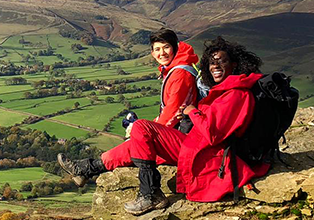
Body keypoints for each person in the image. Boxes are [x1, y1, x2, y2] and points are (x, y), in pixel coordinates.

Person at [57, 36, 270, 215]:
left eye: (221, 62)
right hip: (200, 147)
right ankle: (86, 168)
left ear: (234, 64)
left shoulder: (236, 94)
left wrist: (191, 112)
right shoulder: (228, 89)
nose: (215, 66)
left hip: (209, 154)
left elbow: (213, 133)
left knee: (141, 128)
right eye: (212, 63)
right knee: (140, 143)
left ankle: (150, 193)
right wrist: (192, 113)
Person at [147, 28, 199, 129]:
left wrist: (154, 132)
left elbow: (173, 109)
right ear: (152, 53)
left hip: (183, 132)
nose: (162, 53)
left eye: (166, 47)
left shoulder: (180, 73)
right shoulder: (171, 71)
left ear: (175, 48)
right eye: (157, 49)